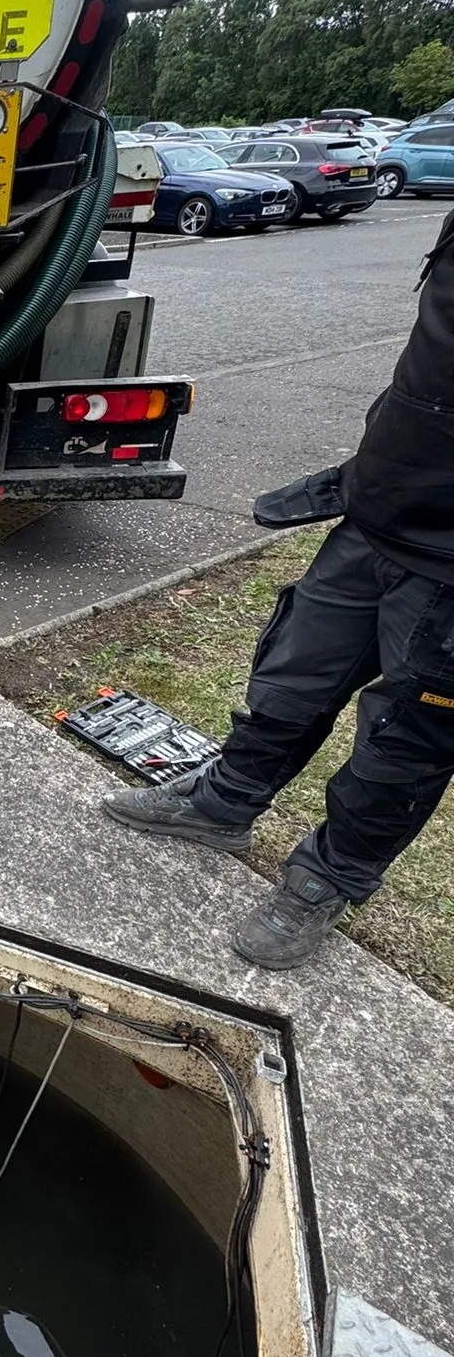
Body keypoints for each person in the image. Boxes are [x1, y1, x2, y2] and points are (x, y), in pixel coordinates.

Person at [103, 207, 454, 970]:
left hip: (447, 570)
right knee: (295, 672)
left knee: (406, 742)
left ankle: (326, 878)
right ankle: (223, 804)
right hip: (377, 512)